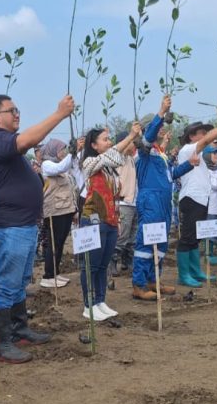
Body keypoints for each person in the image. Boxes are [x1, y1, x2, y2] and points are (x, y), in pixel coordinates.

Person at [0, 94, 74, 364]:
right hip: (9, 225)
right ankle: (1, 343)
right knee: (5, 283)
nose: (17, 114)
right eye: (11, 111)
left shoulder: (7, 145)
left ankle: (19, 329)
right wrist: (59, 114)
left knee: (20, 281)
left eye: (17, 109)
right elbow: (29, 140)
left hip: (22, 224)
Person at [132, 97, 194, 299]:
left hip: (163, 204)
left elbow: (171, 175)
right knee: (146, 242)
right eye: (155, 126)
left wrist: (190, 164)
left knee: (160, 243)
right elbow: (148, 137)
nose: (159, 130)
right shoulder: (144, 150)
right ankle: (139, 285)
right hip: (150, 202)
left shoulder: (160, 154)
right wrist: (161, 113)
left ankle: (153, 281)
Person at [80, 123, 142, 319]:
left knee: (103, 265)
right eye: (105, 139)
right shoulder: (89, 164)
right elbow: (112, 153)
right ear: (94, 145)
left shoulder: (111, 169)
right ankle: (88, 305)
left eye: (109, 139)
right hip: (92, 220)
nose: (109, 142)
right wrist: (130, 135)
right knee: (91, 265)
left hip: (110, 220)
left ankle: (100, 301)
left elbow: (115, 157)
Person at [176, 111, 217, 288]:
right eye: (201, 133)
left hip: (201, 199)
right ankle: (184, 274)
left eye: (206, 132)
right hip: (192, 198)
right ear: (192, 137)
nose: (205, 136)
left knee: (195, 237)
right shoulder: (188, 149)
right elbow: (205, 142)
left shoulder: (200, 154)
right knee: (188, 237)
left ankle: (195, 270)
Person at [40, 139, 77, 289]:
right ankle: (48, 275)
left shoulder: (62, 167)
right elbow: (61, 167)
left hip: (65, 209)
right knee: (53, 243)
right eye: (61, 150)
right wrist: (73, 153)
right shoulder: (47, 165)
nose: (63, 152)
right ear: (53, 150)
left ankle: (55, 272)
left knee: (60, 243)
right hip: (54, 211)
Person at [112, 131, 138, 276]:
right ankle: (112, 262)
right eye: (132, 141)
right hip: (123, 202)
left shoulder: (130, 158)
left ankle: (127, 262)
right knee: (122, 236)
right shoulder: (119, 157)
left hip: (132, 202)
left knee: (131, 237)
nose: (134, 144)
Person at [204, 144, 217, 265]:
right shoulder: (205, 170)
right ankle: (208, 254)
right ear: (207, 155)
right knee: (210, 232)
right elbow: (215, 185)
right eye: (214, 153)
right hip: (210, 206)